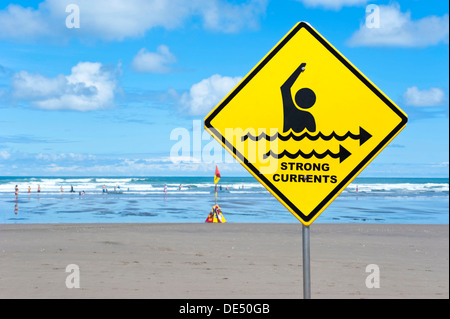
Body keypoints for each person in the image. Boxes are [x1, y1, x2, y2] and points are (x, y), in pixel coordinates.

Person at [281, 62, 316, 133]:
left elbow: (285, 88)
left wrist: (299, 69)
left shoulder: (307, 116)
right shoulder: (307, 116)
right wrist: (299, 70)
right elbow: (285, 88)